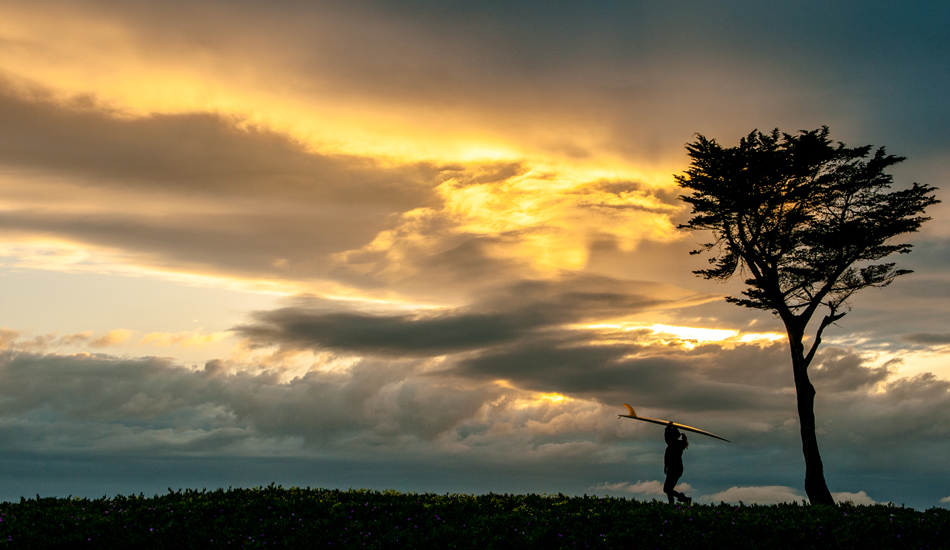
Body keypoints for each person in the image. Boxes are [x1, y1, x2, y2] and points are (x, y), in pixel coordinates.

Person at [663, 422, 692, 505]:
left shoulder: (675, 444)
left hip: (674, 469)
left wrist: (667, 428)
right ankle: (671, 504)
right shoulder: (676, 444)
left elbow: (667, 438)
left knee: (667, 489)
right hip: (673, 469)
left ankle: (684, 499)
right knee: (669, 489)